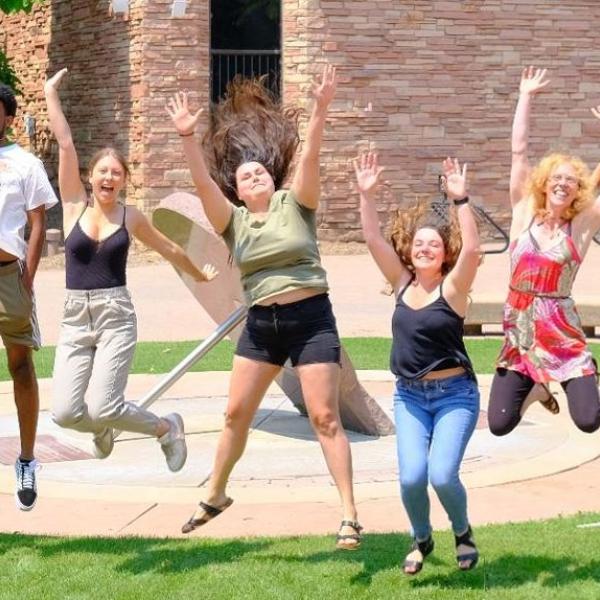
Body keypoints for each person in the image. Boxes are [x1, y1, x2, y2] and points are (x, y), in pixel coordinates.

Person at [167, 66, 362, 549]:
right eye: (243, 175)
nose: (252, 174)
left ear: (271, 179)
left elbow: (312, 157)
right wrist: (188, 138)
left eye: (259, 171)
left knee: (325, 418)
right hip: (263, 325)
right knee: (235, 413)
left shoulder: (297, 205)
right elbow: (201, 184)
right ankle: (215, 493)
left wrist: (320, 109)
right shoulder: (231, 222)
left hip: (311, 321)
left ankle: (349, 515)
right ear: (237, 189)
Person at [44, 68, 217, 471]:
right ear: (90, 177)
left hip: (115, 316)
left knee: (106, 405)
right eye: (102, 171)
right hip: (75, 317)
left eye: (116, 173)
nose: (108, 177)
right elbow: (65, 144)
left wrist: (200, 273)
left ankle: (165, 428)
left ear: (123, 180)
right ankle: (102, 430)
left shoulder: (131, 217)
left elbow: (169, 247)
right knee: (67, 413)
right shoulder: (74, 206)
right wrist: (51, 94)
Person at [355, 151, 481, 573]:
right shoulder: (401, 281)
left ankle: (462, 532)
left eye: (435, 244)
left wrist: (460, 200)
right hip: (409, 397)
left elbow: (475, 249)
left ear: (445, 254)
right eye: (419, 243)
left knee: (442, 475)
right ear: (410, 250)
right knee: (411, 478)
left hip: (454, 396)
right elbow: (373, 240)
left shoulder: (454, 287)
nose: (426, 248)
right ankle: (422, 537)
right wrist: (366, 196)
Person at [488, 66, 600, 436]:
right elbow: (518, 152)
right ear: (545, 183)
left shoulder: (579, 228)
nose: (563, 183)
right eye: (557, 177)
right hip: (519, 334)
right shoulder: (523, 214)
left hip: (561, 333)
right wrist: (525, 97)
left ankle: (585, 375)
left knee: (588, 420)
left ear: (577, 190)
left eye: (571, 180)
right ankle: (535, 388)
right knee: (500, 424)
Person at [0, 82, 58, 510]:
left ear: (7, 117)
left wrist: (29, 277)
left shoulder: (24, 163)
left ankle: (26, 459)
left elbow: (38, 223)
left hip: (9, 277)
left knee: (20, 366)